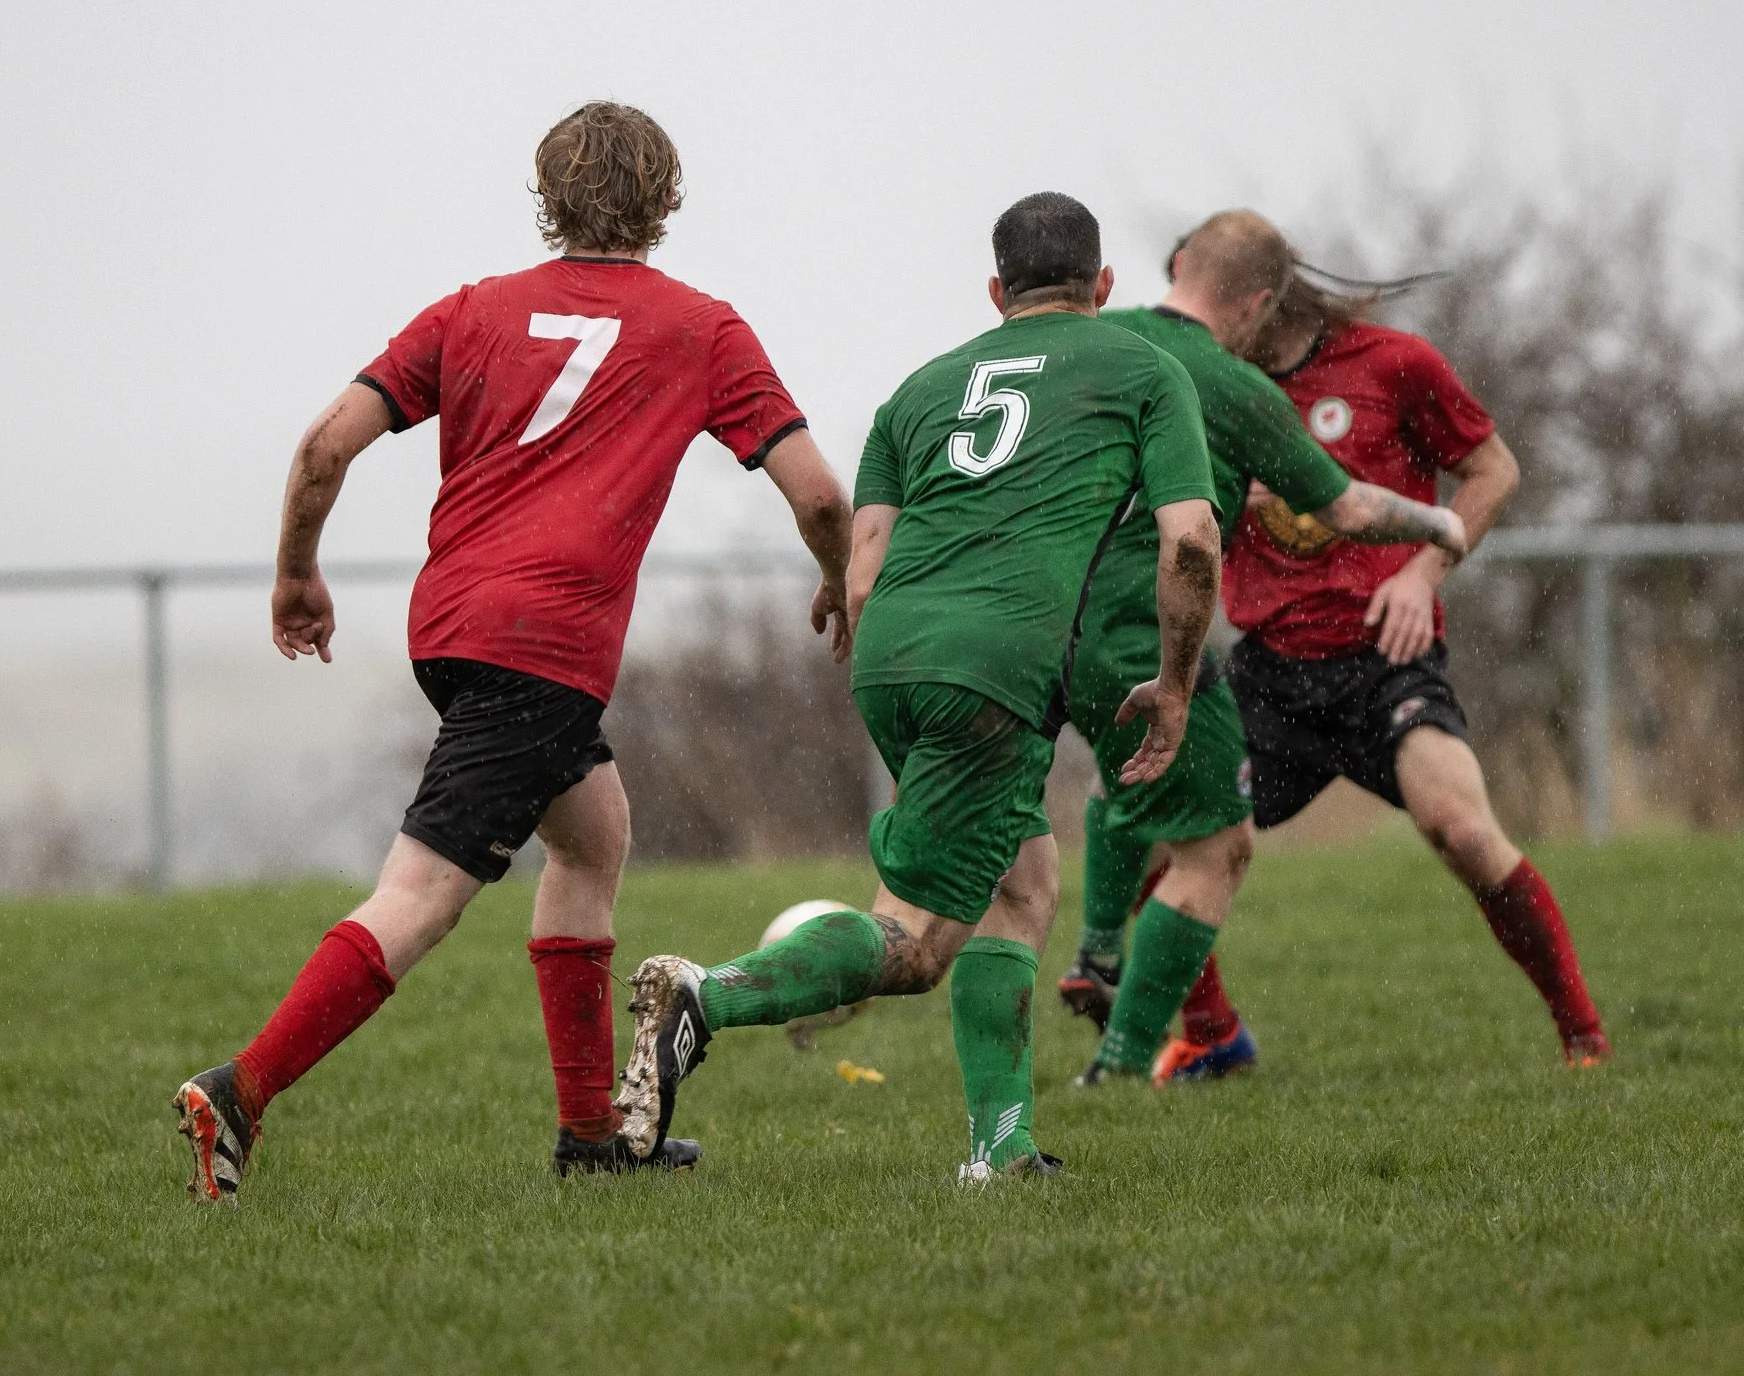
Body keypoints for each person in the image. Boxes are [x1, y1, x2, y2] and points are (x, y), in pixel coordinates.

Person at [173, 102, 854, 1201]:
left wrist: (297, 569)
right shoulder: (700, 329)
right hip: (540, 645)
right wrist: (837, 573)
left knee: (591, 837)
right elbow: (820, 491)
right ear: (667, 203)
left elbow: (322, 447)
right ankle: (240, 1090)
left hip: (454, 629)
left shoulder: (470, 311)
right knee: (423, 895)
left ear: (547, 201)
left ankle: (590, 1134)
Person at [616, 191, 1223, 1184]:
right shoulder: (1141, 365)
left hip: (890, 651)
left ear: (996, 290)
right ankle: (705, 995)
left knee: (1021, 882)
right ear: (1104, 286)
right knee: (915, 943)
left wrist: (897, 647)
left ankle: (1004, 1148)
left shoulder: (921, 389)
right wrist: (1176, 680)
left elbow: (861, 560)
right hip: (996, 668)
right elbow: (1190, 537)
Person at [1050, 211, 1468, 1086]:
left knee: (1127, 779)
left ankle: (1096, 955)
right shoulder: (1233, 386)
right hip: (1144, 629)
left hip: (1052, 629)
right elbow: (1346, 508)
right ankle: (1121, 1073)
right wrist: (1441, 524)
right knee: (1220, 847)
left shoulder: (1093, 341)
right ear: (1256, 300)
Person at [1198, 258, 1611, 1067]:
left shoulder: (1394, 363)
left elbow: (1495, 469)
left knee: (1462, 831)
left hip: (1386, 660)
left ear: (1256, 299)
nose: (1191, 321)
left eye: (1204, 299)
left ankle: (1583, 1035)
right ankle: (1212, 1038)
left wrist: (1425, 571)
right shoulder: (1210, 387)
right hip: (1271, 672)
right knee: (1166, 849)